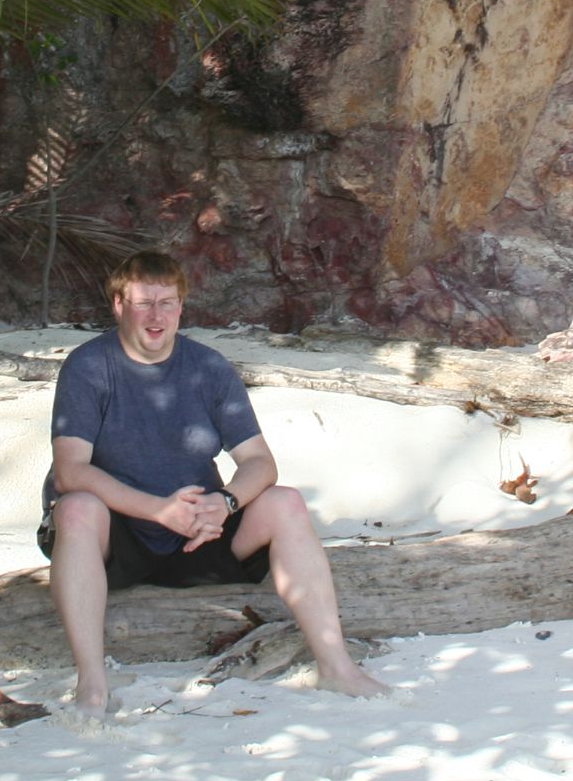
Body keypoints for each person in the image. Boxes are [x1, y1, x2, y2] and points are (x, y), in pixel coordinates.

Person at [38, 250, 390, 713]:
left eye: (167, 302)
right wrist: (158, 510)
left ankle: (336, 666)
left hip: (198, 532)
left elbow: (260, 462)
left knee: (285, 502)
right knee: (77, 507)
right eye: (144, 303)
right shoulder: (88, 367)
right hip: (117, 538)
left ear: (181, 307)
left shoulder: (208, 367)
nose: (157, 315)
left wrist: (225, 503)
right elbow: (71, 471)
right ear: (119, 305)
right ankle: (92, 683)